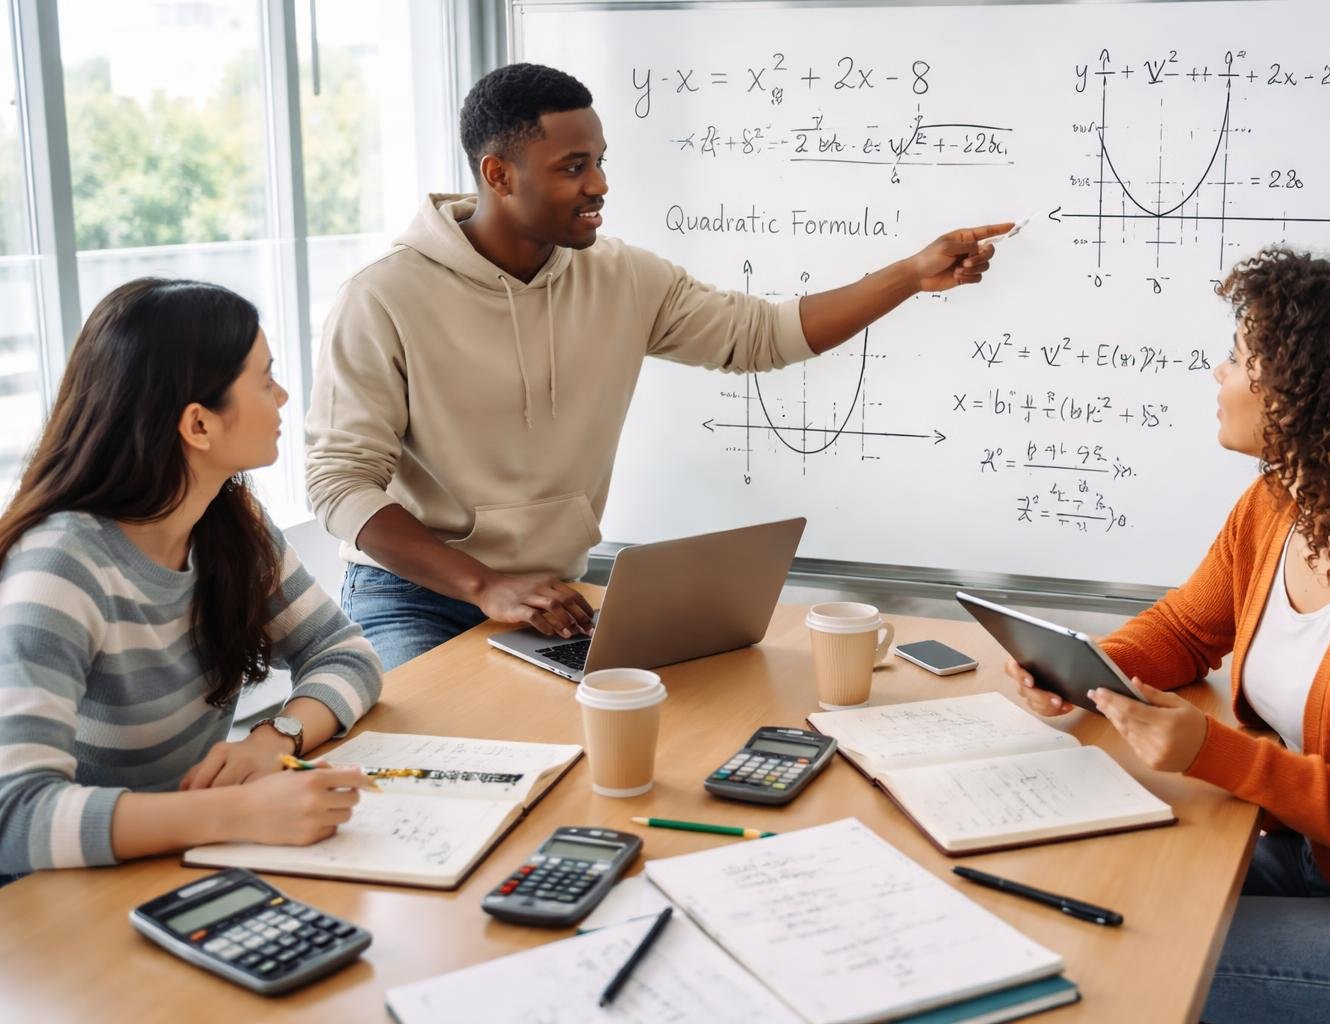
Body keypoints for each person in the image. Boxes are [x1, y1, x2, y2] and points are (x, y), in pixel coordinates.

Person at [305, 62, 1012, 669]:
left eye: (600, 161)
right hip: (416, 599)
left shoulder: (623, 277)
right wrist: (483, 584)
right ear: (498, 174)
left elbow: (760, 335)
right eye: (573, 168)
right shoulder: (383, 296)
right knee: (432, 760)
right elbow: (340, 485)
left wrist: (912, 275)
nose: (599, 185)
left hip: (553, 597)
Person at [1009, 248, 1330, 1022]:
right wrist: (1088, 668)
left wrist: (1208, 752)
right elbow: (1190, 628)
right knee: (1095, 889)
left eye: (1236, 358)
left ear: (1310, 397)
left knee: (1136, 959)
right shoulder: (1279, 506)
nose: (1217, 374)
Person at [0, 279, 383, 880]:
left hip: (176, 859)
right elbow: (16, 819)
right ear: (199, 425)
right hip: (57, 894)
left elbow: (345, 654)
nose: (283, 396)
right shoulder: (58, 567)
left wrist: (274, 740)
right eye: (265, 379)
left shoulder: (231, 522)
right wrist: (233, 812)